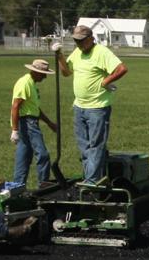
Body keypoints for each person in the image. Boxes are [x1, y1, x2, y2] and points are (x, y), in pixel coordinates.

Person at [52, 25, 127, 184]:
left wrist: (106, 81)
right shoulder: (77, 52)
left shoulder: (101, 52)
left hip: (97, 107)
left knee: (96, 146)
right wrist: (59, 56)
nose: (78, 44)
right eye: (76, 41)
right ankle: (91, 179)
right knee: (84, 147)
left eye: (81, 41)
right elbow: (66, 72)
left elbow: (122, 69)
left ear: (90, 39)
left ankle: (92, 182)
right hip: (79, 107)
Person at [10, 58, 58, 188]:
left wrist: (49, 123)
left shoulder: (31, 84)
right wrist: (14, 130)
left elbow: (35, 109)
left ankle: (17, 188)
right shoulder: (24, 83)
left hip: (29, 121)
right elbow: (15, 106)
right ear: (36, 72)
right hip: (27, 123)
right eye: (43, 74)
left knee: (23, 157)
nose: (45, 77)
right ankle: (43, 187)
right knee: (43, 155)